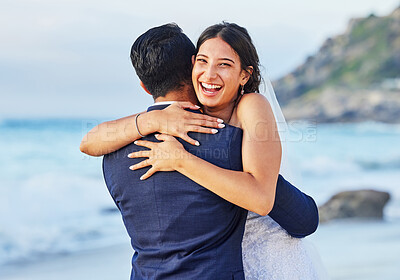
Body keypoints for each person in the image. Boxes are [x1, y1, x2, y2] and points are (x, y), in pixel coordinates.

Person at [81, 23, 321, 279]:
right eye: (203, 62)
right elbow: (303, 218)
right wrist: (154, 122)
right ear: (192, 66)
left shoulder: (114, 156)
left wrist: (178, 156)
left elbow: (87, 143)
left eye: (224, 64)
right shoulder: (229, 145)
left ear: (144, 86)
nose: (209, 73)